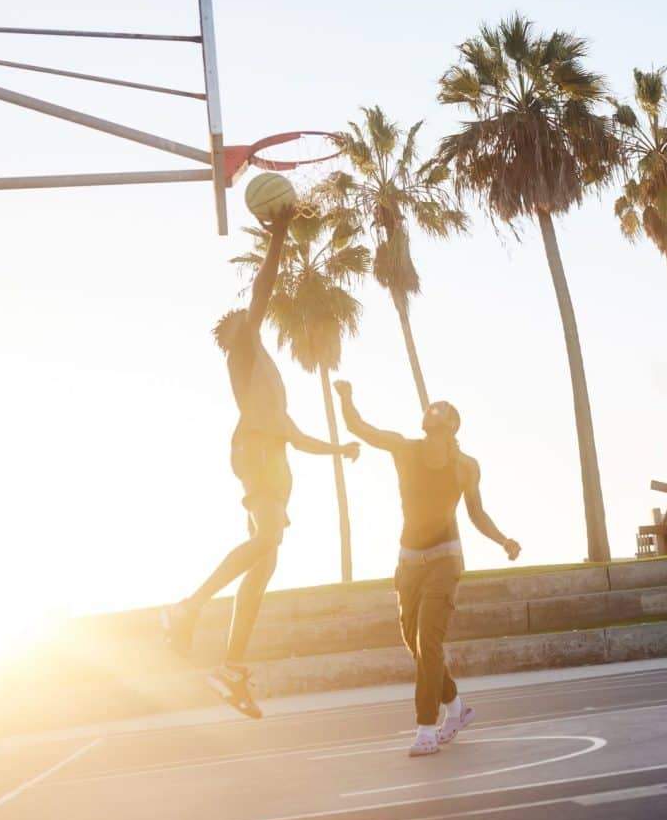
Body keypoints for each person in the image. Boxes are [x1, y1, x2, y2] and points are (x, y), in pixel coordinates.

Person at [161, 206, 360, 718]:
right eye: (236, 324)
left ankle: (230, 667)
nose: (244, 323)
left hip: (273, 457)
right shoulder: (243, 351)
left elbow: (296, 435)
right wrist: (277, 234)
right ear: (232, 337)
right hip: (254, 452)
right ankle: (188, 607)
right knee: (267, 540)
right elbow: (262, 292)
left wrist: (340, 450)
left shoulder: (269, 378)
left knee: (264, 562)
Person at [335, 380, 520, 756]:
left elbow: (476, 512)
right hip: (408, 562)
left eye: (440, 409)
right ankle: (456, 709)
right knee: (416, 645)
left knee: (428, 642)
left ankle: (425, 730)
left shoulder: (466, 467)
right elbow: (359, 427)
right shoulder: (404, 448)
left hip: (445, 558)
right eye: (430, 408)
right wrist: (346, 397)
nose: (431, 411)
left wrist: (503, 540)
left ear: (452, 425)